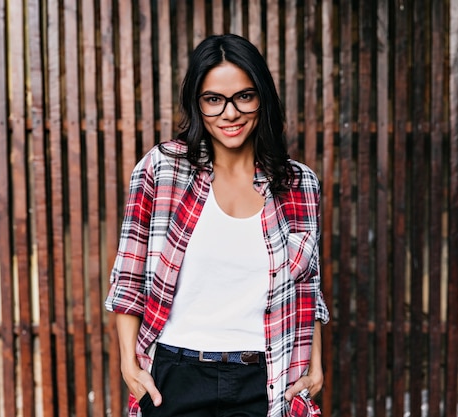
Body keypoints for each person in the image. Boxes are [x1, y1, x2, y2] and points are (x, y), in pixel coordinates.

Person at [105, 33, 330, 417]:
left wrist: (315, 367)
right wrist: (130, 364)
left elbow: (308, 287)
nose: (230, 113)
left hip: (266, 378)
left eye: (244, 96)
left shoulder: (299, 184)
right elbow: (128, 278)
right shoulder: (161, 170)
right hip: (176, 378)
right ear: (197, 104)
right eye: (214, 100)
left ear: (263, 98)